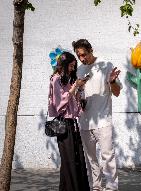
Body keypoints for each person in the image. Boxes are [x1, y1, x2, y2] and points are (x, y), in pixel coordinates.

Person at [72, 39, 122, 191]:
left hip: (103, 120)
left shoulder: (106, 66)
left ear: (91, 50)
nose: (82, 58)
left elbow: (117, 92)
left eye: (84, 54)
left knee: (108, 156)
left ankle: (112, 188)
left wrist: (112, 82)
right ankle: (96, 187)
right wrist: (78, 94)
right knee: (91, 159)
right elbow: (76, 95)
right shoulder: (79, 70)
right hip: (85, 121)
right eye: (79, 55)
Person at [48, 51, 90, 191]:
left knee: (76, 160)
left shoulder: (67, 80)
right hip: (64, 125)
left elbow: (76, 105)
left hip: (73, 124)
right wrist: (74, 87)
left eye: (74, 66)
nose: (72, 69)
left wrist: (81, 88)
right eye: (71, 66)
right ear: (64, 65)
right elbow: (60, 105)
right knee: (69, 161)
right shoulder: (56, 79)